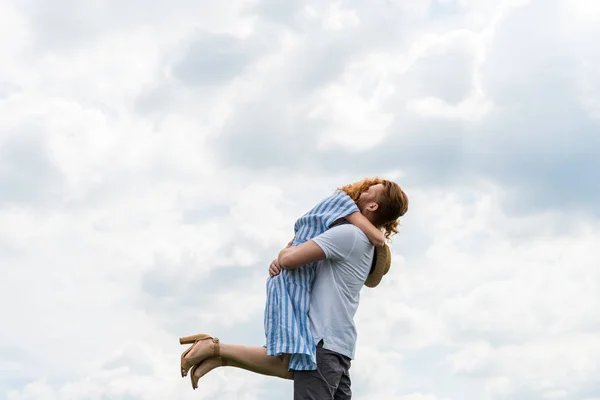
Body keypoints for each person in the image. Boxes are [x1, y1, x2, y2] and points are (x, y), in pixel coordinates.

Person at [178, 178, 409, 394]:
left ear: (372, 206)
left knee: (287, 364)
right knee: (287, 364)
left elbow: (289, 259)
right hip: (339, 346)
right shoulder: (364, 243)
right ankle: (216, 352)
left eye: (370, 191)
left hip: (325, 343)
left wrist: (283, 253)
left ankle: (215, 350)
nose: (363, 191)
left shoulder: (348, 234)